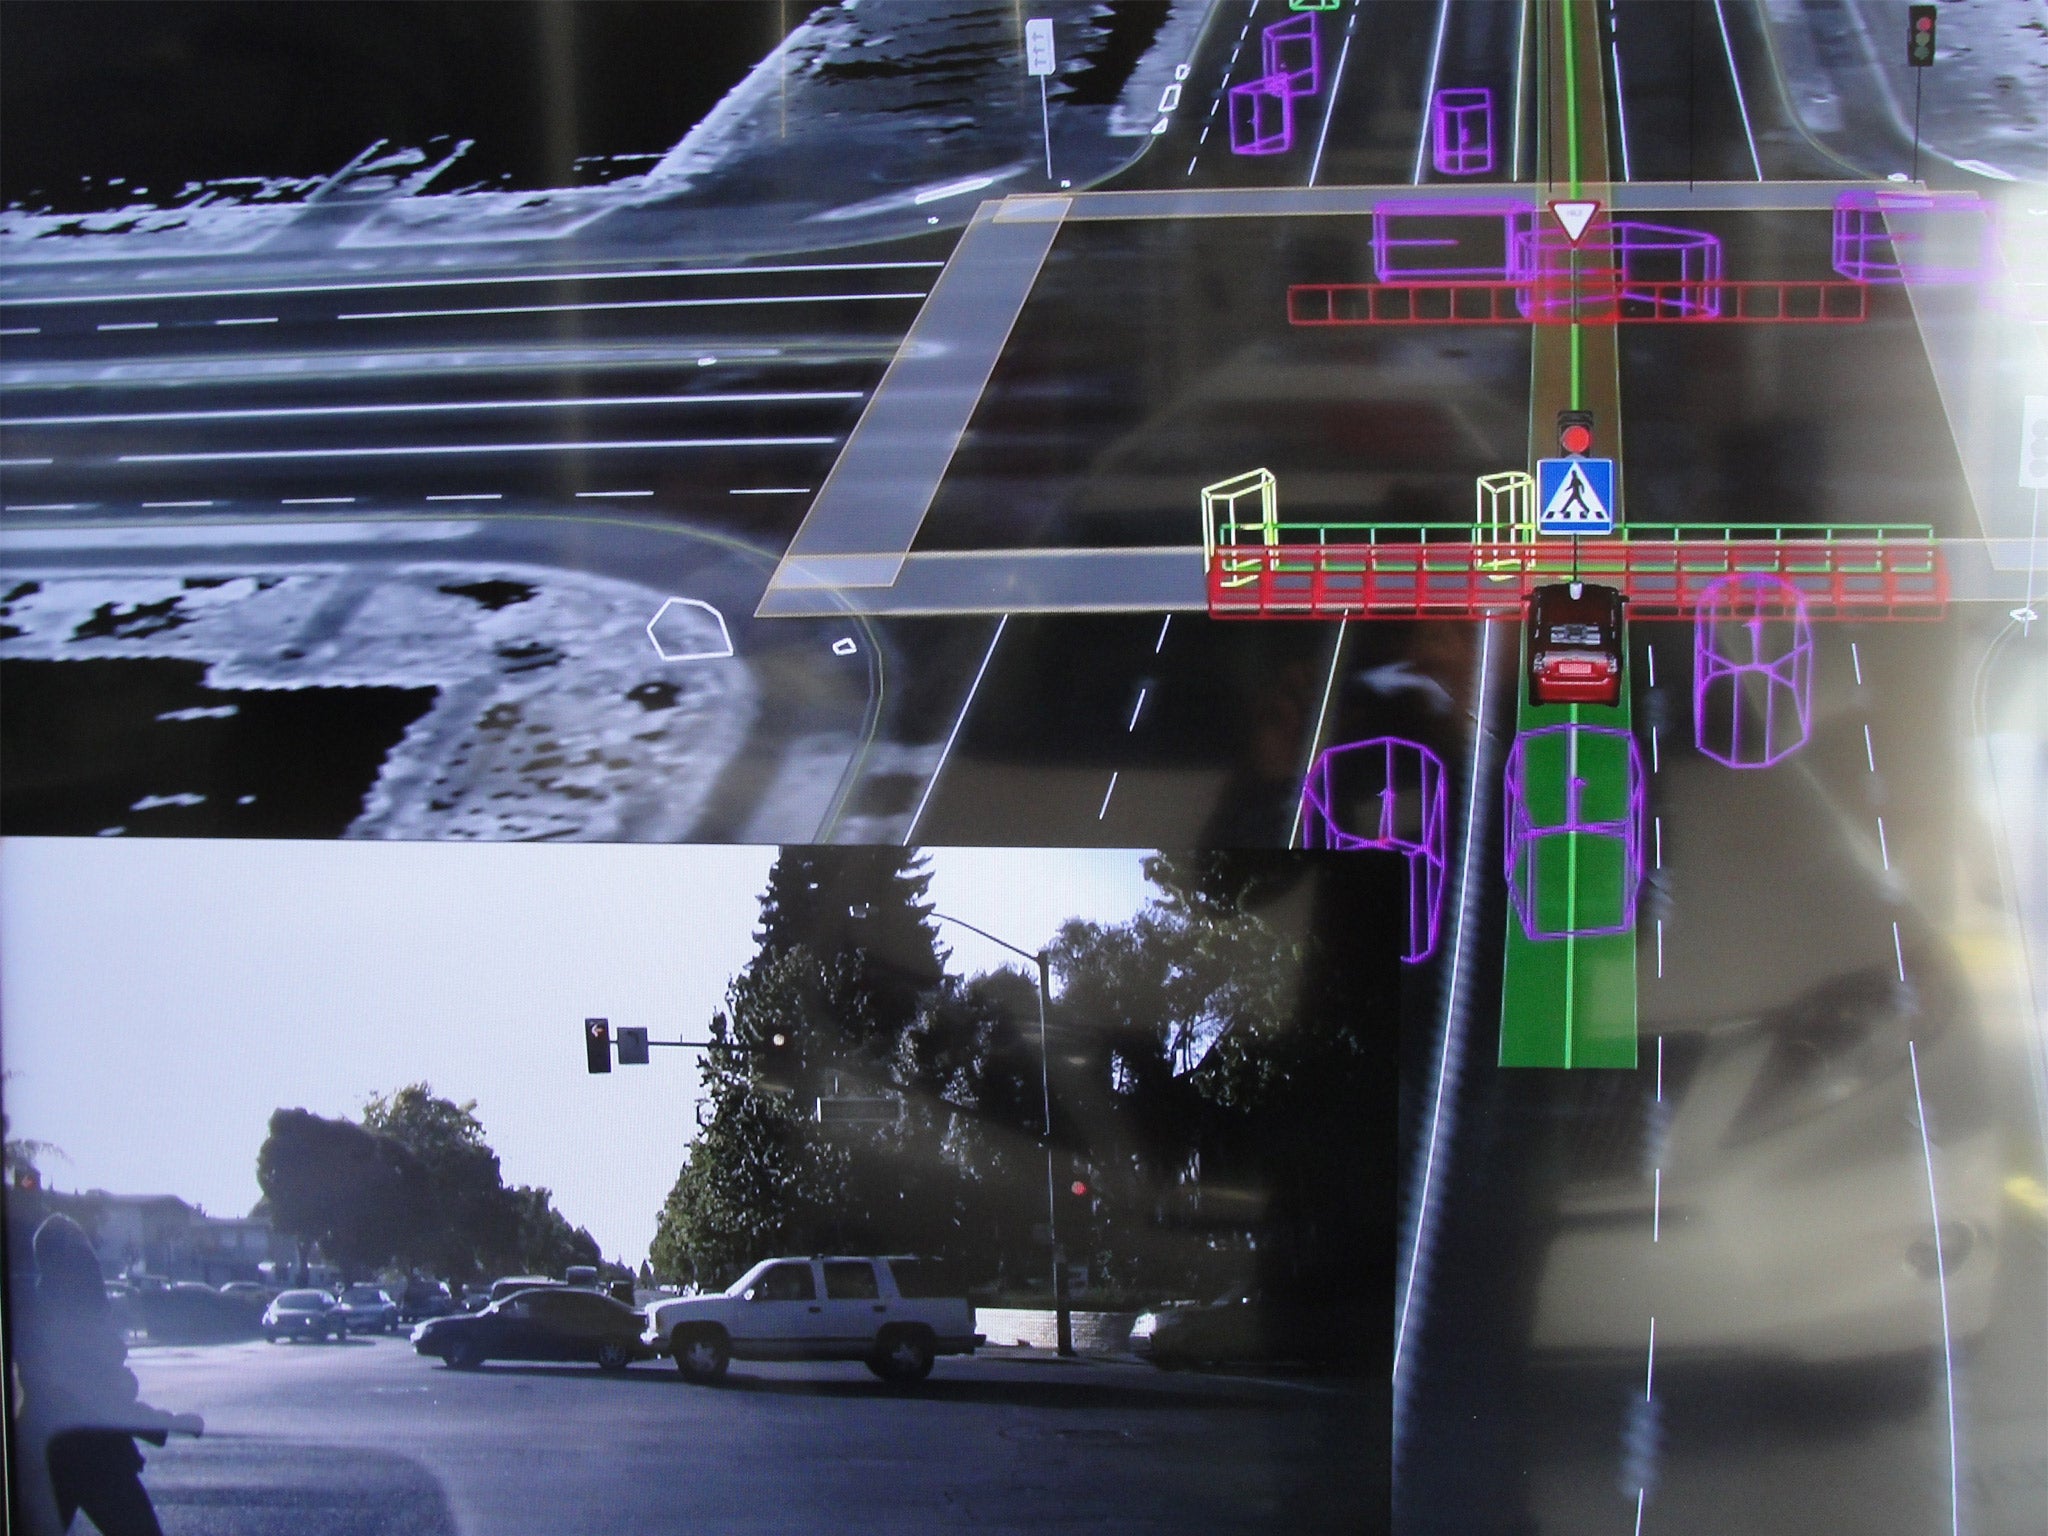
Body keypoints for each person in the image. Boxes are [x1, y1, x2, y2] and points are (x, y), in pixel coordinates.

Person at [12, 1213, 196, 1536]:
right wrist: (163, 1422)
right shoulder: (73, 1321)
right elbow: (96, 1399)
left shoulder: (41, 1315)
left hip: (51, 1453)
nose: (91, 1264)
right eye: (84, 1255)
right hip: (94, 1455)